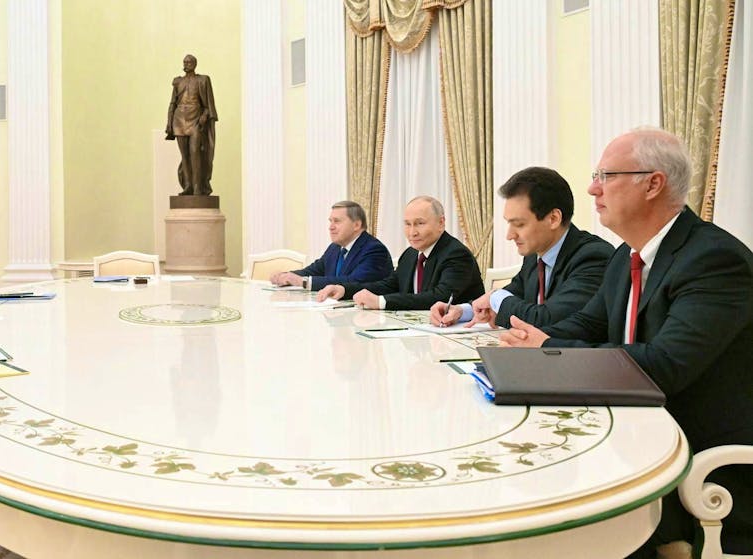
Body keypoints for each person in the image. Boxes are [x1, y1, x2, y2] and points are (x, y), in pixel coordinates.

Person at [500, 128, 753, 557]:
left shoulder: (714, 259)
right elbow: (587, 324)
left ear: (653, 184)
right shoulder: (626, 255)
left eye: (606, 175)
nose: (592, 188)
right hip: (638, 437)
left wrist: (547, 352)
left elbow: (664, 365)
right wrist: (539, 340)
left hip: (702, 464)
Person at [430, 167, 612, 328]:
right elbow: (514, 292)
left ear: (553, 219)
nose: (510, 235)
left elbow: (547, 320)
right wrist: (463, 310)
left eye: (519, 224)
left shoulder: (592, 257)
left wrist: (494, 298)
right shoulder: (535, 255)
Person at [317, 196, 483, 310]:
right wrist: (345, 290)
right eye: (407, 224)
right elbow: (388, 285)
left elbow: (439, 297)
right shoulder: (410, 254)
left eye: (419, 223)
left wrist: (382, 302)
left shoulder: (456, 255)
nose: (412, 232)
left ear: (441, 223)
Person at [269, 200, 393, 291]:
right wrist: (286, 276)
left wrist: (303, 282)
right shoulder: (335, 247)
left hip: (365, 318)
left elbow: (354, 281)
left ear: (356, 225)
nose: (331, 227)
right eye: (331, 221)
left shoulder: (374, 250)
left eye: (337, 221)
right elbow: (314, 270)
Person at [165, 54, 218, 195]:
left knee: (195, 152)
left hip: (195, 118)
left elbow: (208, 105)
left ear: (195, 64)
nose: (186, 64)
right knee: (185, 155)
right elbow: (172, 103)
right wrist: (169, 123)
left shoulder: (202, 80)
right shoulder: (178, 82)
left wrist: (204, 116)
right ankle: (188, 185)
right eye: (185, 62)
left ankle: (198, 186)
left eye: (189, 62)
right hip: (179, 119)